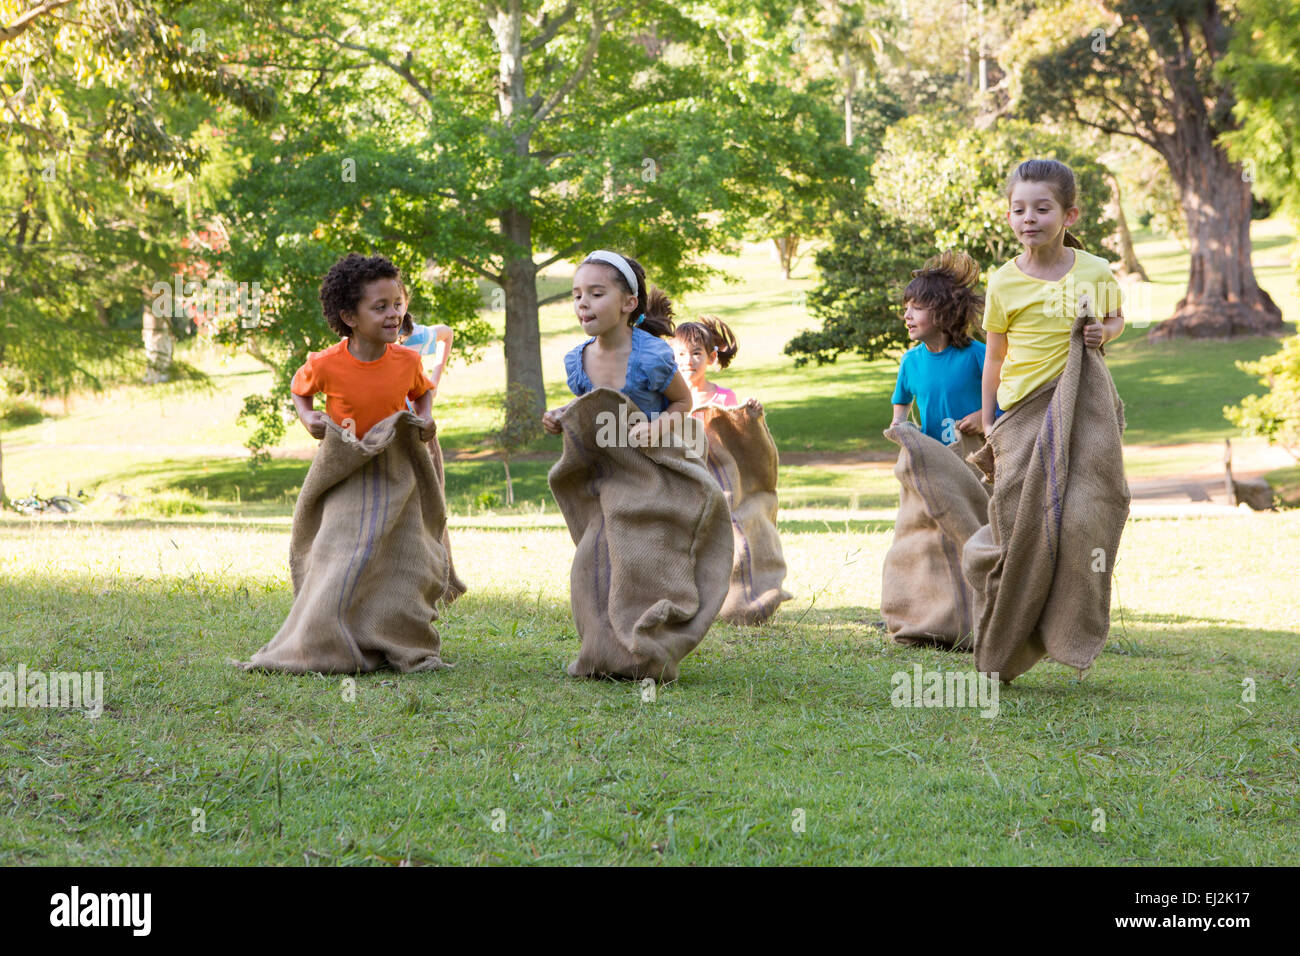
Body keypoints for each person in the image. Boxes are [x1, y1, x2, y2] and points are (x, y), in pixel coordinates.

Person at [981, 159, 1124, 431]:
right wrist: (988, 421)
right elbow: (995, 357)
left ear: (1069, 216)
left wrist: (1104, 332)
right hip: (1019, 410)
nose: (1029, 217)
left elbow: (1116, 319)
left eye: (1042, 209)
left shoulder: (1096, 271)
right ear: (1010, 217)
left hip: (1079, 406)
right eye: (1019, 210)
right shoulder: (1002, 282)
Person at [541, 250, 691, 444]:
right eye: (577, 296)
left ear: (629, 303)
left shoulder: (651, 356)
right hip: (604, 462)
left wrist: (655, 429)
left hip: (652, 460)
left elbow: (683, 401)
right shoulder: (577, 361)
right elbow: (593, 403)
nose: (583, 304)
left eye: (596, 294)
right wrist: (562, 414)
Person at [291, 253, 434, 442]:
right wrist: (306, 415)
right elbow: (298, 388)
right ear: (350, 317)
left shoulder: (409, 361)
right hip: (345, 464)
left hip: (394, 463)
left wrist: (425, 414)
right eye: (380, 307)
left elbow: (423, 391)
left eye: (397, 304)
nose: (394, 314)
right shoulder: (324, 364)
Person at [889, 251, 986, 444]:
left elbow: (1009, 399)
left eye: (917, 308)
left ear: (945, 312)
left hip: (978, 459)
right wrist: (898, 422)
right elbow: (902, 398)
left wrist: (983, 417)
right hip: (935, 462)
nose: (907, 315)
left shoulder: (978, 355)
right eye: (906, 308)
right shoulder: (910, 361)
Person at [672, 316, 743, 410]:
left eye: (696, 353)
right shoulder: (667, 398)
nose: (688, 361)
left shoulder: (725, 398)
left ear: (711, 357)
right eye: (681, 354)